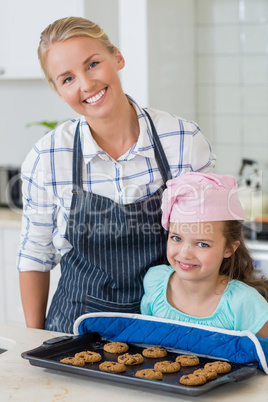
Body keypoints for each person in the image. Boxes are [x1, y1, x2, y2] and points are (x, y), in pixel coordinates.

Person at [17, 16, 216, 334]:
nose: (85, 84)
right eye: (67, 79)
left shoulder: (181, 140)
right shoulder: (48, 156)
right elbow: (35, 256)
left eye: (93, 64)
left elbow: (212, 238)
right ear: (58, 91)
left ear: (117, 58)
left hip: (167, 324)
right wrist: (34, 339)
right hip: (73, 327)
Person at [141, 172, 268, 337]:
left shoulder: (244, 303)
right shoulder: (155, 282)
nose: (185, 254)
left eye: (202, 244)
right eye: (176, 238)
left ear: (228, 249)